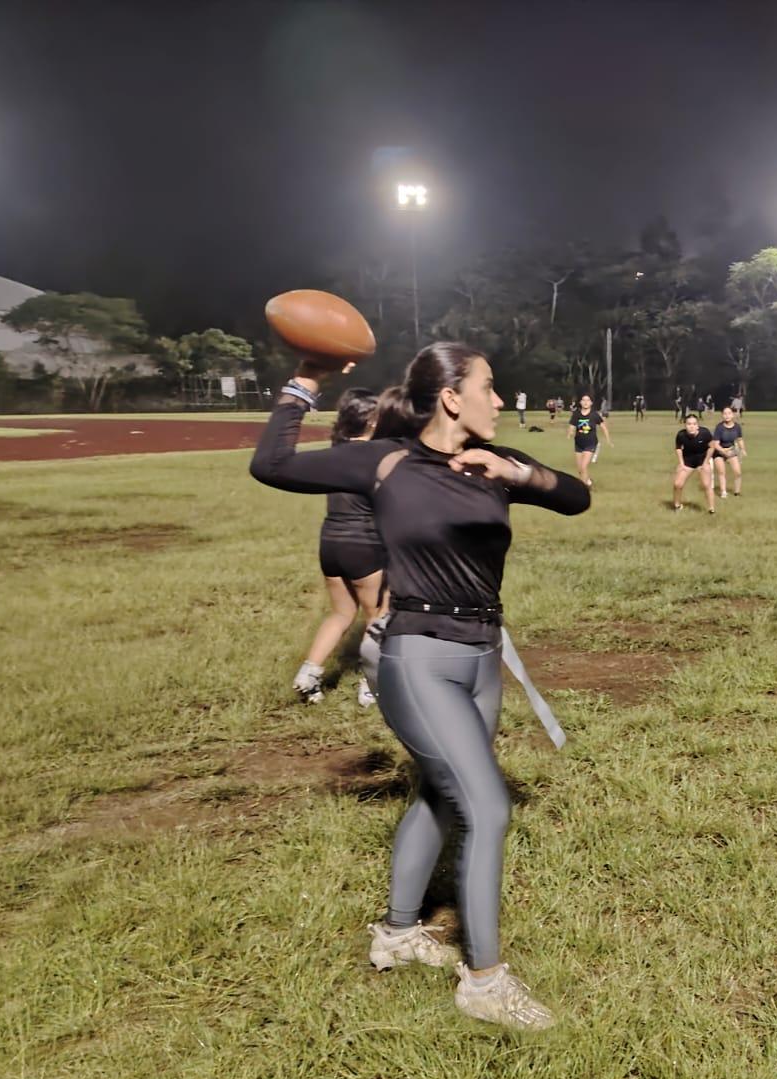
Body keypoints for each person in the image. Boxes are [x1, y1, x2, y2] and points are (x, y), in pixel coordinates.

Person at [251, 342, 590, 1031]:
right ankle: (485, 981)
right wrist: (305, 381)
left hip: (482, 654)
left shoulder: (495, 470)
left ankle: (399, 932)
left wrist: (516, 469)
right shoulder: (387, 460)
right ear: (452, 397)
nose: (502, 401)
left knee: (440, 795)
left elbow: (578, 498)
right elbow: (273, 465)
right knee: (487, 806)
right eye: (491, 388)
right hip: (417, 657)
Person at [291, 387, 390, 708]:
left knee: (341, 613)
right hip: (363, 544)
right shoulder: (378, 455)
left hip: (330, 543)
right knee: (379, 615)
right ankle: (370, 684)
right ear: (373, 421)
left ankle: (308, 675)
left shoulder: (334, 451)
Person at [673, 412, 717, 513]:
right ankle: (677, 506)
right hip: (688, 460)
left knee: (707, 484)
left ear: (697, 425)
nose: (691, 426)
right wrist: (681, 463)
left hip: (702, 460)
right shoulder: (681, 435)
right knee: (677, 484)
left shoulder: (705, 433)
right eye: (689, 424)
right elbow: (678, 448)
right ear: (685, 425)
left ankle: (711, 509)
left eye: (694, 424)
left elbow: (712, 446)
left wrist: (706, 462)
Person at [570, 394, 611, 488]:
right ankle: (588, 482)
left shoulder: (594, 415)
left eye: (588, 400)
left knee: (584, 467)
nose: (585, 402)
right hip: (578, 444)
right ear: (580, 402)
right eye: (583, 400)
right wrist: (570, 432)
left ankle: (584, 489)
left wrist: (608, 440)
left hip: (591, 443)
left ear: (591, 403)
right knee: (580, 470)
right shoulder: (576, 414)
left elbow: (604, 427)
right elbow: (572, 425)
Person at [712, 405, 746, 498]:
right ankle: (723, 492)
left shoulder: (737, 427)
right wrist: (723, 451)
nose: (727, 415)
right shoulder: (719, 427)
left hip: (731, 450)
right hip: (718, 452)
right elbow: (715, 444)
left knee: (738, 472)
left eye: (729, 413)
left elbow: (739, 439)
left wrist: (743, 449)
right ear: (722, 415)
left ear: (733, 415)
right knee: (722, 472)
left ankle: (737, 492)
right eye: (725, 413)